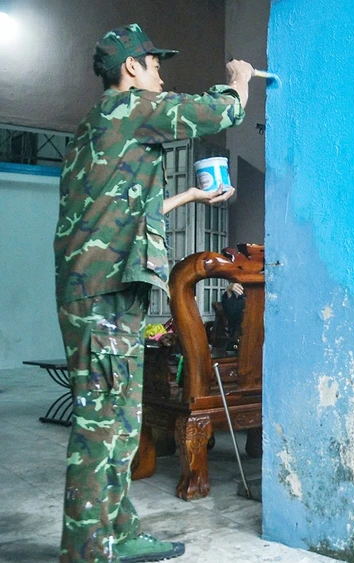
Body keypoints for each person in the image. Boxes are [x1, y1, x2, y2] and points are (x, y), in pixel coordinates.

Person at [52, 24, 253, 563]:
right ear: (131, 69)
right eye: (155, 64)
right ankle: (87, 550)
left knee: (119, 420)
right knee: (101, 423)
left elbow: (123, 211)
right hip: (103, 294)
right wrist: (238, 82)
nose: (161, 73)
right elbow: (219, 113)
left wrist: (189, 194)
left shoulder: (98, 128)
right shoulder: (133, 109)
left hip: (105, 291)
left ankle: (119, 532)